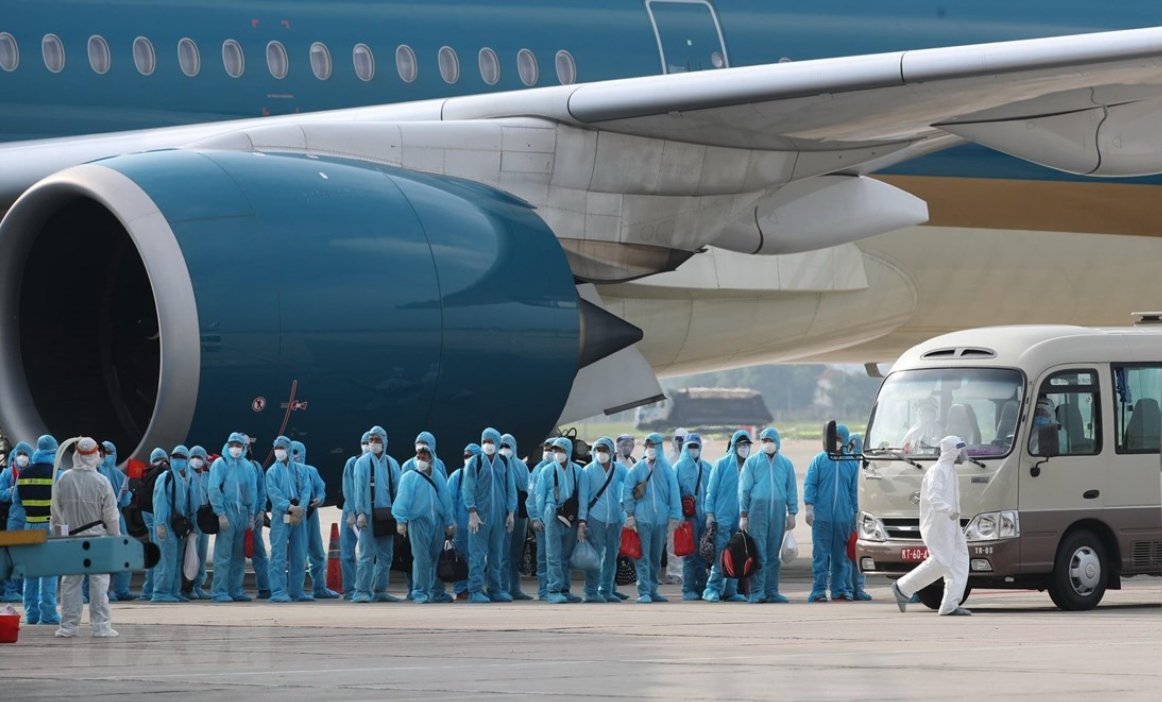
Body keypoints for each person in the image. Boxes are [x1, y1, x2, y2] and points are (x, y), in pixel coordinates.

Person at [892, 436, 972, 616]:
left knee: (960, 561)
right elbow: (934, 497)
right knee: (942, 561)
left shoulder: (950, 470)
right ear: (952, 451)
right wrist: (949, 509)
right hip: (938, 524)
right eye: (959, 450)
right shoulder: (938, 471)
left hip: (951, 524)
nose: (962, 454)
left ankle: (950, 605)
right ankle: (903, 587)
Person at [50, 438, 120, 638]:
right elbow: (111, 515)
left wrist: (60, 538)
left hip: (71, 541)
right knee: (99, 585)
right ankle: (101, 627)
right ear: (96, 454)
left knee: (70, 585)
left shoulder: (64, 479)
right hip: (97, 540)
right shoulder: (102, 481)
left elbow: (56, 513)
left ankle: (69, 627)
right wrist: (116, 537)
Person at [738, 427, 798, 603]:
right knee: (758, 553)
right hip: (757, 512)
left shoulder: (786, 464)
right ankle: (757, 591)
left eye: (769, 440)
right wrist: (744, 514)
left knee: (773, 554)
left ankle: (771, 591)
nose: (767, 444)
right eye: (763, 440)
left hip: (778, 513)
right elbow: (744, 490)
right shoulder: (752, 462)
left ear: (777, 442)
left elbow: (791, 489)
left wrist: (792, 512)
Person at [621, 432, 681, 603]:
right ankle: (644, 591)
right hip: (642, 518)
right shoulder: (637, 468)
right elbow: (627, 491)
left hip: (661, 519)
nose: (651, 448)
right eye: (648, 444)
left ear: (660, 446)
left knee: (655, 556)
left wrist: (675, 514)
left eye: (653, 445)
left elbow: (674, 492)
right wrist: (630, 514)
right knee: (642, 556)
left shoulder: (667, 469)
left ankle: (653, 589)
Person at [392, 444, 455, 603]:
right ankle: (420, 591)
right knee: (421, 558)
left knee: (435, 557)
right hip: (418, 521)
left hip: (437, 522)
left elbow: (445, 499)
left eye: (424, 457)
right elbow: (403, 498)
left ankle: (436, 592)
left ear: (431, 458)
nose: (420, 460)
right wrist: (400, 520)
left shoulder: (438, 476)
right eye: (418, 457)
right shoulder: (409, 476)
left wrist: (449, 521)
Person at [804, 424, 859, 602]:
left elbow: (854, 491)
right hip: (822, 517)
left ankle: (839, 590)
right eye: (833, 437)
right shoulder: (819, 460)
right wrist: (808, 506)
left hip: (843, 518)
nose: (835, 441)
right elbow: (810, 484)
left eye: (839, 438)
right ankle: (819, 590)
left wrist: (856, 512)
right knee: (820, 555)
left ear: (844, 440)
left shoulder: (850, 462)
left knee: (839, 557)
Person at [462, 427, 517, 603]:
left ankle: (495, 589)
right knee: (477, 555)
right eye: (485, 441)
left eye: (491, 441)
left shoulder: (504, 462)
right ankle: (475, 590)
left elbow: (510, 488)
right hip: (479, 517)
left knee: (497, 555)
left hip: (499, 517)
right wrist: (471, 511)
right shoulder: (475, 462)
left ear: (497, 442)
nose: (487, 445)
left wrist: (510, 511)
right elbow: (468, 488)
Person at [352, 425, 401, 603]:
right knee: (366, 554)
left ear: (385, 442)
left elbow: (398, 491)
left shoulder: (392, 464)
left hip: (387, 515)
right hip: (369, 514)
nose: (373, 443)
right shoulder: (362, 463)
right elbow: (359, 490)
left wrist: (399, 515)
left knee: (386, 555)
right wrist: (360, 513)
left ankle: (380, 590)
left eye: (377, 440)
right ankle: (361, 590)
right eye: (371, 439)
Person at [535, 437, 587, 604]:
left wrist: (581, 520)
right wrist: (542, 518)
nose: (558, 454)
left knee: (566, 554)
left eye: (562, 451)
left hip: (571, 515)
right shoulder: (547, 471)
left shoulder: (578, 471)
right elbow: (539, 496)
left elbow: (583, 496)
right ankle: (553, 589)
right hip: (553, 513)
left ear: (569, 452)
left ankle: (565, 588)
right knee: (553, 554)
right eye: (556, 451)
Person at [14, 435, 61, 624]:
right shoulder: (57, 473)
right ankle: (48, 614)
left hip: (29, 525)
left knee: (31, 573)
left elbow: (16, 501)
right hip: (49, 526)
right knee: (48, 572)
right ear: (53, 450)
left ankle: (31, 613)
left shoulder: (23, 474)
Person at [209, 433, 258, 603]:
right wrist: (220, 513)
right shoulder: (220, 464)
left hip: (242, 513)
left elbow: (251, 491)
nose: (235, 447)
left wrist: (251, 515)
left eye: (238, 444)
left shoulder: (247, 467)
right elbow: (214, 489)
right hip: (227, 512)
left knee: (239, 554)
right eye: (233, 444)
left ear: (244, 447)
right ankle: (219, 590)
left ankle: (235, 589)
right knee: (223, 554)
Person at [702, 430, 751, 602]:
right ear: (734, 445)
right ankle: (712, 588)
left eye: (746, 445)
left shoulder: (750, 466)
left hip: (740, 519)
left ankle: (730, 591)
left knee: (737, 555)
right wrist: (710, 513)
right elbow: (711, 491)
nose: (744, 448)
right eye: (741, 444)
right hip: (723, 517)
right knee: (721, 555)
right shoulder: (721, 464)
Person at [581, 436, 628, 603]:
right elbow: (583, 498)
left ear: (611, 451)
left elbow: (629, 487)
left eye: (604, 450)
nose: (601, 453)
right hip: (595, 518)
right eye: (598, 450)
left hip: (615, 518)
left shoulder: (620, 470)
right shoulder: (588, 471)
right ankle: (591, 591)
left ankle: (606, 589)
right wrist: (582, 520)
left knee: (611, 556)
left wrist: (627, 510)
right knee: (594, 557)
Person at [292, 441, 340, 599]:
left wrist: (320, 498)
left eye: (297, 452)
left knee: (317, 552)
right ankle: (294, 589)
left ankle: (319, 587)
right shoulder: (284, 472)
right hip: (294, 515)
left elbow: (320, 487)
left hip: (311, 514)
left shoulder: (311, 471)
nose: (295, 455)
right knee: (297, 554)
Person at [267, 435, 313, 602]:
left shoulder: (301, 470)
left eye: (281, 447)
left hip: (298, 516)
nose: (279, 451)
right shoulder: (272, 472)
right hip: (281, 517)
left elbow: (307, 489)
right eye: (276, 447)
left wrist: (301, 508)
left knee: (299, 554)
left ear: (288, 449)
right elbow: (273, 493)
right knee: (279, 555)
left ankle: (297, 591)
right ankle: (278, 591)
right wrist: (288, 507)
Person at [151, 445, 193, 603]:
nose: (178, 460)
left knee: (176, 559)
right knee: (165, 559)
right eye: (175, 457)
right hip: (167, 524)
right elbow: (159, 500)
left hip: (177, 525)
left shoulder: (185, 478)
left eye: (182, 457)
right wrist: (160, 523)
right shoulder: (165, 477)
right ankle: (160, 592)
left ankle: (174, 590)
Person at [675, 432, 712, 601]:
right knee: (689, 554)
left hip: (704, 517)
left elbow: (712, 493)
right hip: (687, 518)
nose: (693, 450)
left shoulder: (707, 467)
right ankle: (687, 588)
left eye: (696, 446)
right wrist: (678, 515)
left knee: (703, 554)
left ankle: (702, 587)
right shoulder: (678, 467)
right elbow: (674, 494)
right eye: (690, 446)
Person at [500, 433, 533, 600]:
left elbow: (529, 490)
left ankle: (515, 589)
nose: (505, 449)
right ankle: (501, 588)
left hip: (520, 516)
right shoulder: (496, 465)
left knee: (515, 554)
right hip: (501, 516)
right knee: (501, 554)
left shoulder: (521, 467)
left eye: (508, 446)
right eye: (502, 445)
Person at [0, 442, 33, 603]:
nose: (22, 458)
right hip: (13, 519)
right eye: (19, 454)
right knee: (11, 556)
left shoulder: (33, 472)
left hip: (29, 518)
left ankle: (21, 589)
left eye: (25, 454)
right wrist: (9, 492)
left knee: (25, 556)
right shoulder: (7, 474)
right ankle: (9, 590)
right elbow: (0, 494)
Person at [340, 432, 371, 598]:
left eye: (369, 442)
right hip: (351, 513)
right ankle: (349, 588)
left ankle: (365, 586)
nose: (367, 445)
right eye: (364, 442)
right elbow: (348, 488)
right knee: (347, 553)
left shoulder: (378, 464)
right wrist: (352, 512)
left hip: (368, 513)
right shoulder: (352, 462)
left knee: (368, 553)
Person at [447, 444, 479, 600]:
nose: (468, 459)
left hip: (478, 525)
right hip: (461, 526)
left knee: (477, 558)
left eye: (471, 456)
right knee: (461, 558)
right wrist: (451, 521)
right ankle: (461, 589)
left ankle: (475, 587)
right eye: (465, 456)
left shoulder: (482, 476)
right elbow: (450, 500)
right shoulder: (457, 476)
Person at [843, 434, 873, 600]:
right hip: (852, 513)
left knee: (854, 553)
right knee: (851, 553)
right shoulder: (856, 464)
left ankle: (853, 587)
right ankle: (853, 587)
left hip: (856, 513)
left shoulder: (858, 464)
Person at [242, 435, 272, 599]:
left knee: (259, 552)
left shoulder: (255, 467)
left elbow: (261, 491)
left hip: (253, 518)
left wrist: (261, 511)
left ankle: (265, 588)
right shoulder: (224, 466)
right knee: (232, 556)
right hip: (235, 519)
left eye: (245, 445)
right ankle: (231, 589)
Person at [525, 438, 554, 600]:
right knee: (543, 556)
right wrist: (535, 518)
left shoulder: (570, 469)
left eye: (552, 449)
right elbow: (532, 497)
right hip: (543, 522)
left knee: (559, 557)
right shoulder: (539, 470)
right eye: (546, 449)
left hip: (561, 522)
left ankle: (559, 587)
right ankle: (544, 589)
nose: (548, 452)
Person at [140, 447, 169, 600]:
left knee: (152, 554)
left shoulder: (146, 473)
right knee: (162, 556)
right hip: (158, 518)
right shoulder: (164, 474)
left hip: (148, 516)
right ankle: (159, 591)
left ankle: (148, 589)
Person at [186, 445, 212, 600]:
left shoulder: (207, 477)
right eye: (193, 457)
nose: (196, 460)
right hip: (192, 520)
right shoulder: (186, 476)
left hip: (203, 519)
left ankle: (198, 585)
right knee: (190, 556)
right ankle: (188, 587)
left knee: (201, 555)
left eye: (199, 457)